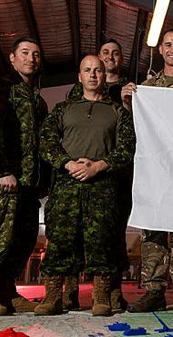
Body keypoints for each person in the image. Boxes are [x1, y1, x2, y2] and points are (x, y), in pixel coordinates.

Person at [35, 55, 135, 317]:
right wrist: (67, 164)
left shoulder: (117, 112)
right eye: (87, 70)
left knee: (102, 241)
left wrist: (98, 166)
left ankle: (100, 297)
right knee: (59, 241)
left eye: (98, 70)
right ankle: (54, 296)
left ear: (104, 76)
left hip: (102, 186)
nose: (93, 75)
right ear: (79, 76)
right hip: (66, 184)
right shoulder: (63, 109)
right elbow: (46, 142)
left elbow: (127, 149)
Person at [122, 28, 173, 314]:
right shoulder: (148, 86)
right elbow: (136, 127)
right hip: (155, 170)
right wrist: (128, 102)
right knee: (153, 231)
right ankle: (154, 291)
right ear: (160, 50)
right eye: (168, 44)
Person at [0, 37, 49, 317]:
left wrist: (42, 182)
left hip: (28, 185)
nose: (31, 58)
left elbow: (40, 144)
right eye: (25, 53)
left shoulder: (38, 102)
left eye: (36, 54)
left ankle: (7, 290)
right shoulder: (1, 89)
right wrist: (3, 170)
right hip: (0, 181)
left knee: (23, 239)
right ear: (12, 58)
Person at [63, 38, 131, 313]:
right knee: (73, 234)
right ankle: (69, 292)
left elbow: (131, 136)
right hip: (77, 175)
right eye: (105, 53)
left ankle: (112, 291)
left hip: (114, 175)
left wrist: (128, 104)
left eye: (115, 53)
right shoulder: (75, 96)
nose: (110, 57)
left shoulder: (128, 91)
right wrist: (71, 164)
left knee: (113, 235)